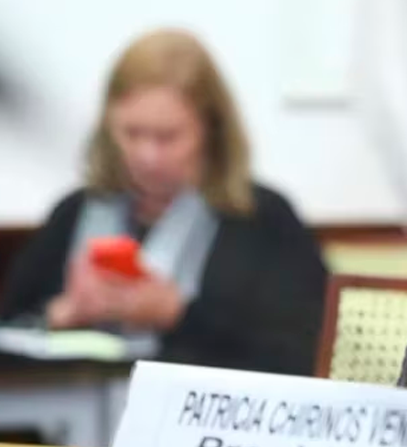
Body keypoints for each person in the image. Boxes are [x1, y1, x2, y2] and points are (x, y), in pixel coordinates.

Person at [0, 29, 329, 376]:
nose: (148, 156)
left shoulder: (262, 220)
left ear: (210, 129)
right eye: (132, 133)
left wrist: (179, 315)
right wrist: (62, 314)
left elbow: (302, 357)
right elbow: (10, 335)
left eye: (167, 137)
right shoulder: (74, 214)